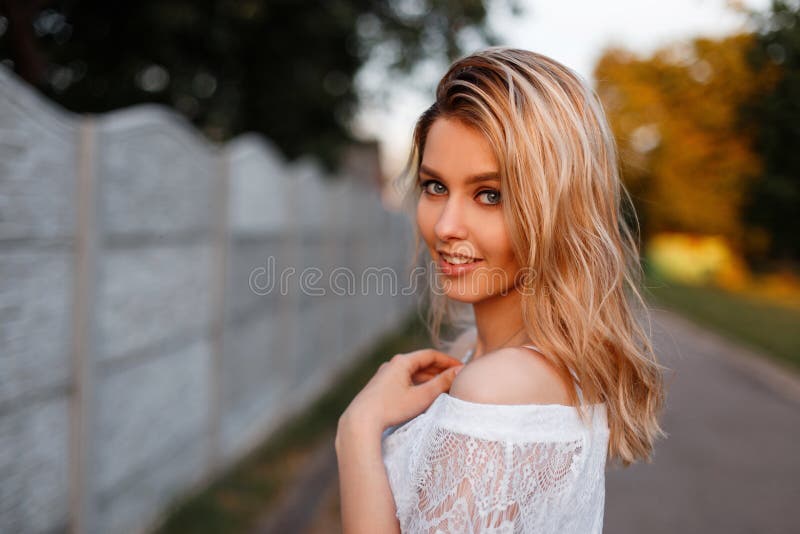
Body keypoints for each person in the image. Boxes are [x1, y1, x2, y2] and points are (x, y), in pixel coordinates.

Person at [335, 47, 667, 534]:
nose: (447, 225)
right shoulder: (503, 359)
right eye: (434, 186)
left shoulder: (497, 391)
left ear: (557, 208)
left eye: (490, 194)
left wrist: (358, 432)